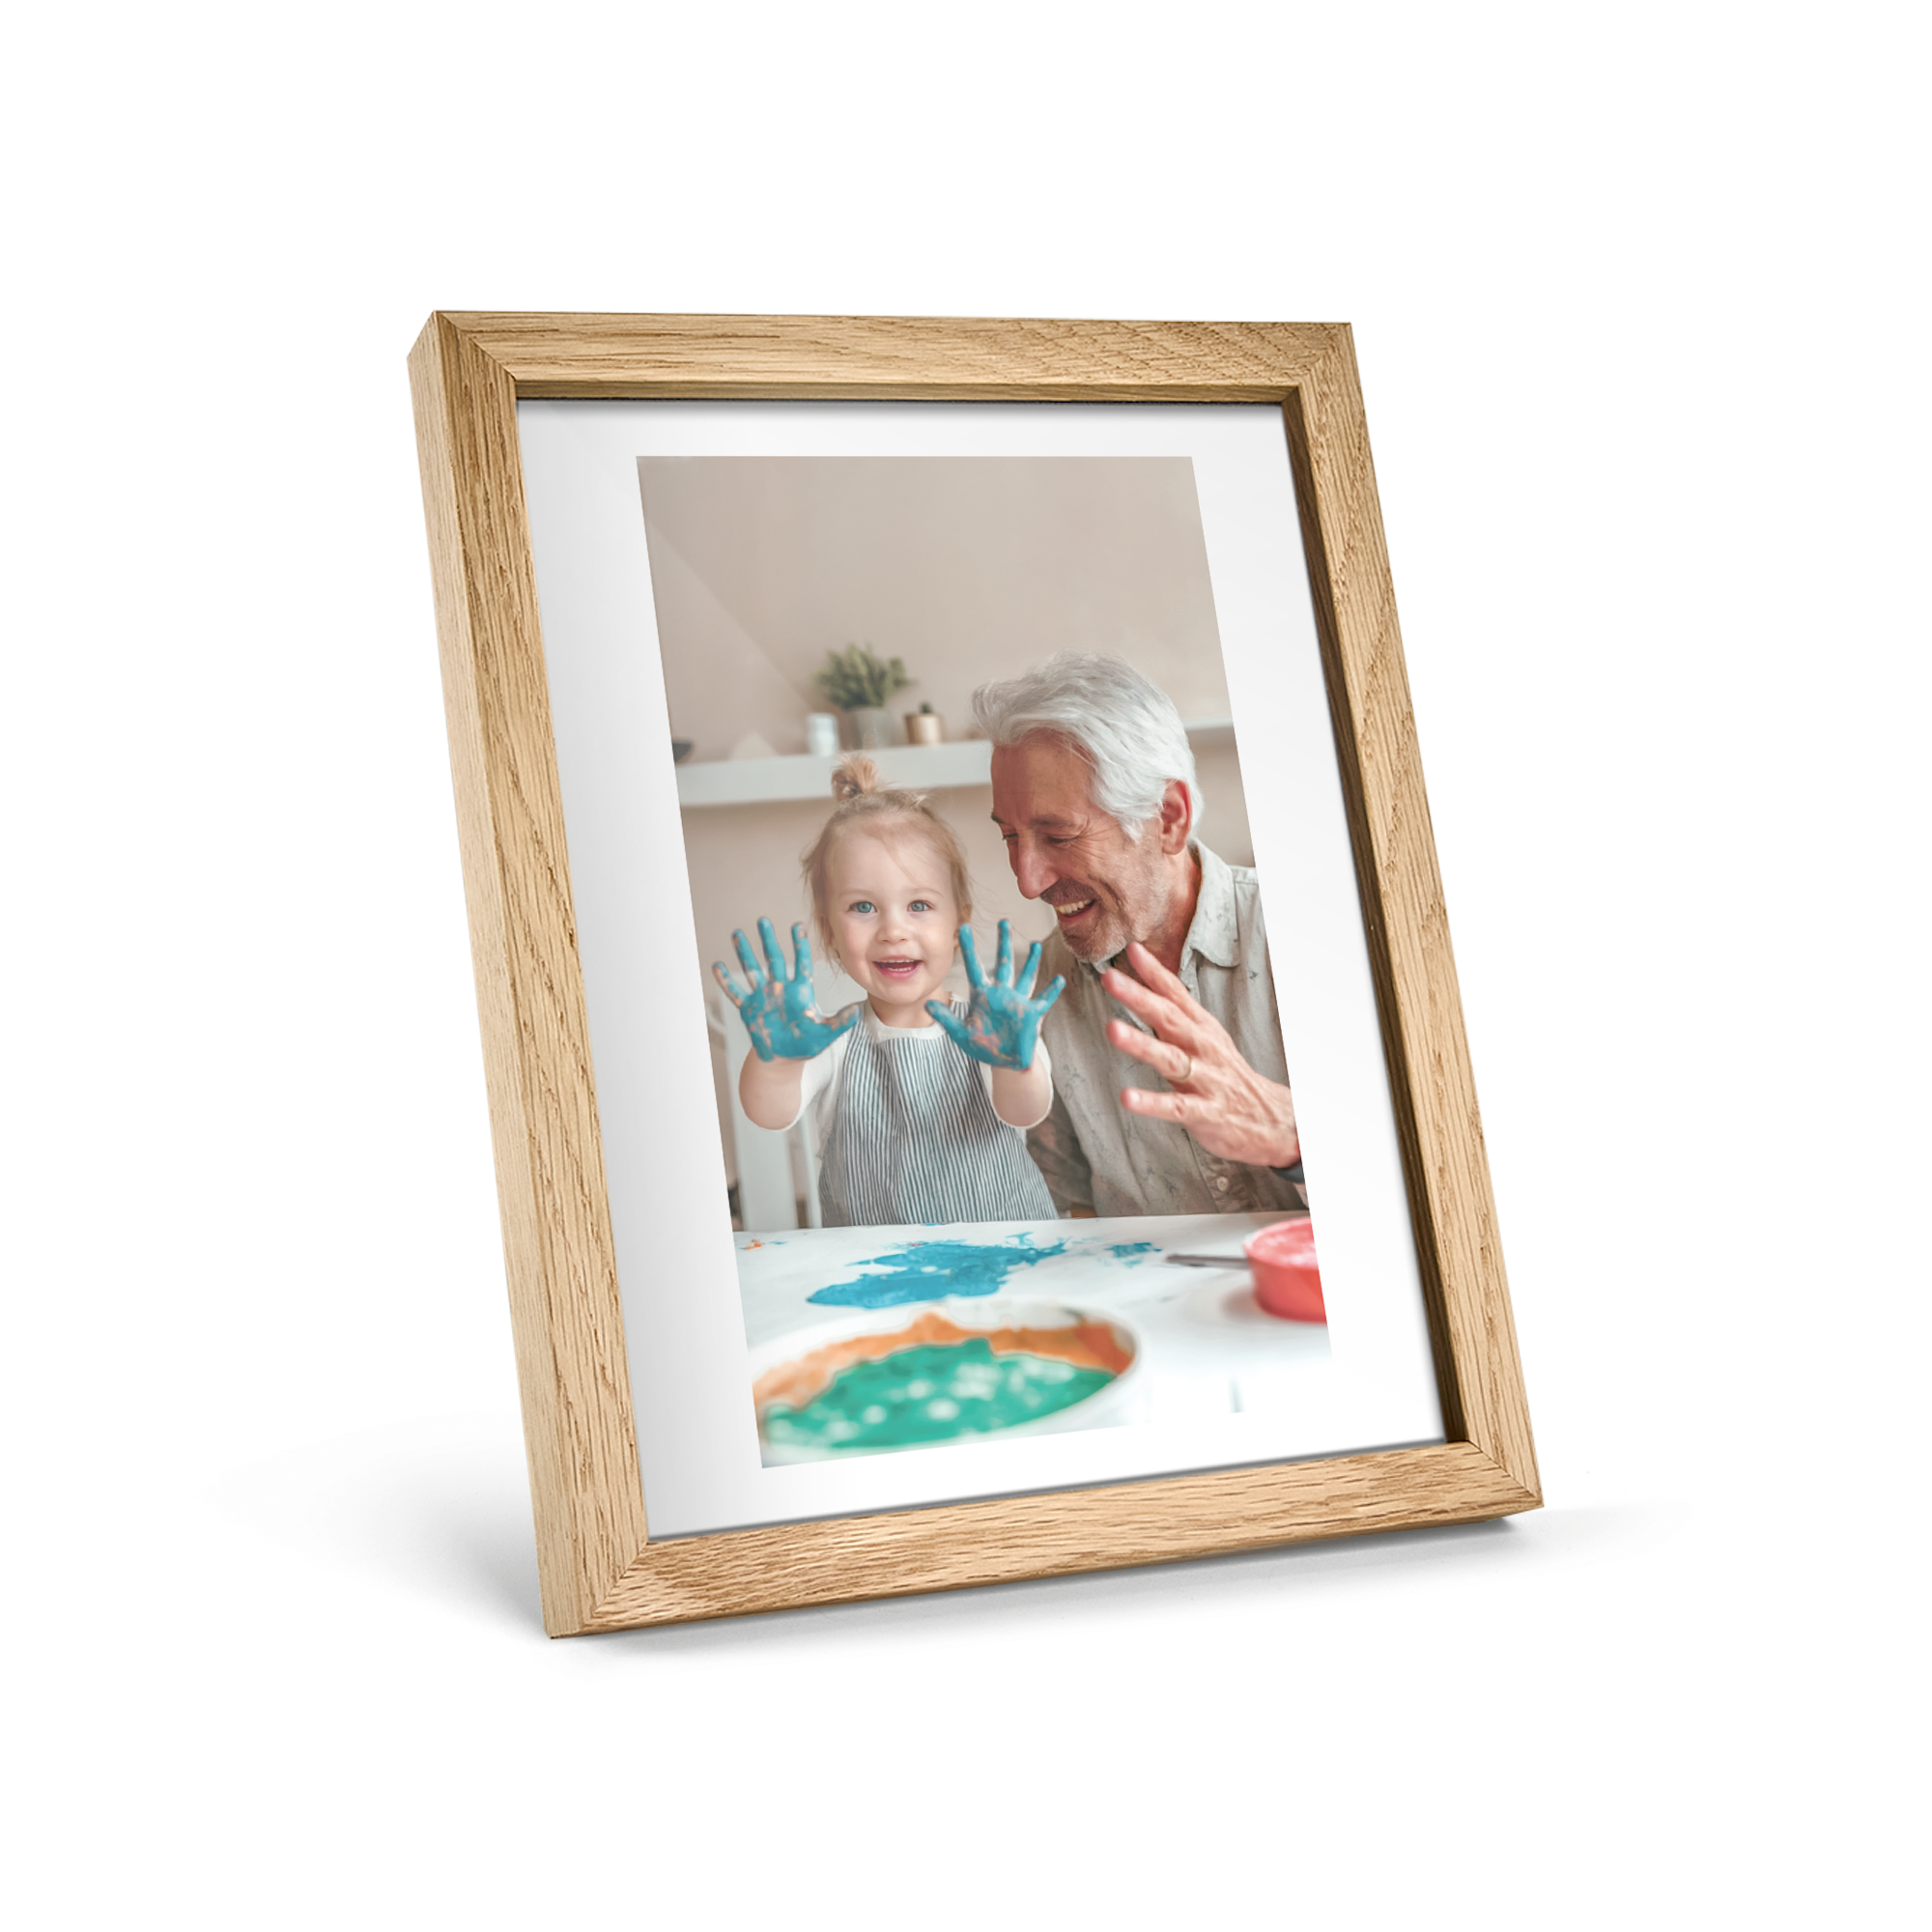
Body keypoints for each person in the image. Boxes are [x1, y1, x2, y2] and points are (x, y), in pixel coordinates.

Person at [972, 652, 1304, 1219]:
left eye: (1058, 835)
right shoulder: (1040, 989)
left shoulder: (1312, 934)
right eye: (1010, 836)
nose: (1028, 881)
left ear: (1168, 818)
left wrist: (1291, 1136)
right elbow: (1067, 1213)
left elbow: (1446, 1185)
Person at [713, 755, 1064, 1228]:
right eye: (863, 907)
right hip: (873, 1275)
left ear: (958, 920)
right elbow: (769, 1114)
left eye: (919, 905)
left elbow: (1025, 1111)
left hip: (1003, 1261)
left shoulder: (993, 1028)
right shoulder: (829, 1041)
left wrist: (1014, 1064)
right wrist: (776, 1063)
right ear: (829, 930)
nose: (893, 930)